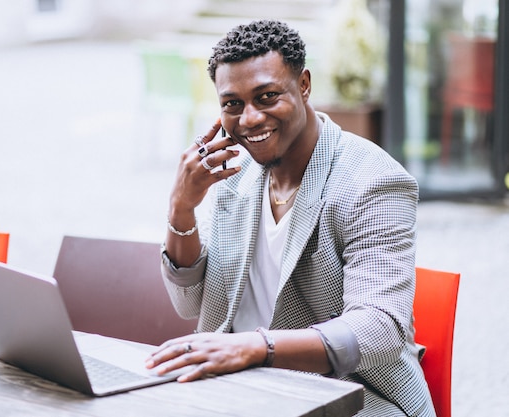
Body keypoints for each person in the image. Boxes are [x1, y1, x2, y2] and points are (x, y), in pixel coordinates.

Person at [145, 20, 434, 417]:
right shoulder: (235, 174)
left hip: (348, 396)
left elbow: (379, 327)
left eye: (266, 96)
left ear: (304, 85)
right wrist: (182, 207)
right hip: (238, 390)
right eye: (232, 103)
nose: (248, 119)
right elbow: (188, 303)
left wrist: (255, 347)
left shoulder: (372, 180)